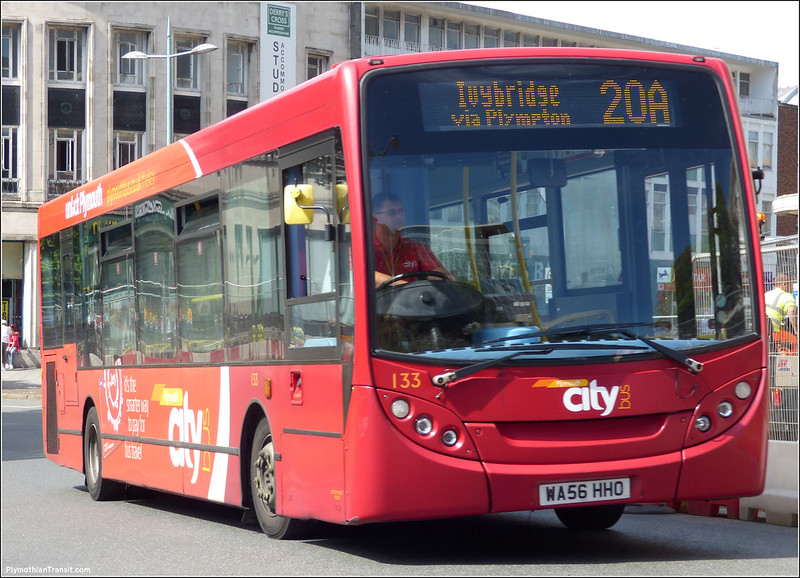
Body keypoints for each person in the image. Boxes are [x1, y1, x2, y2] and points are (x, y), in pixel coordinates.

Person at [372, 192, 456, 287]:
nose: (399, 216)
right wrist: (406, 287)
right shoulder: (364, 248)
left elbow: (436, 272)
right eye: (392, 213)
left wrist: (448, 278)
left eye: (401, 211)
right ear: (375, 219)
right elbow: (366, 276)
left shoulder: (416, 248)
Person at [765, 272, 797, 336]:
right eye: (791, 284)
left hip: (763, 330)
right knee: (794, 340)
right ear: (784, 284)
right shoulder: (787, 295)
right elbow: (792, 310)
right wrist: (796, 330)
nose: (793, 288)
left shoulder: (766, 294)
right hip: (774, 331)